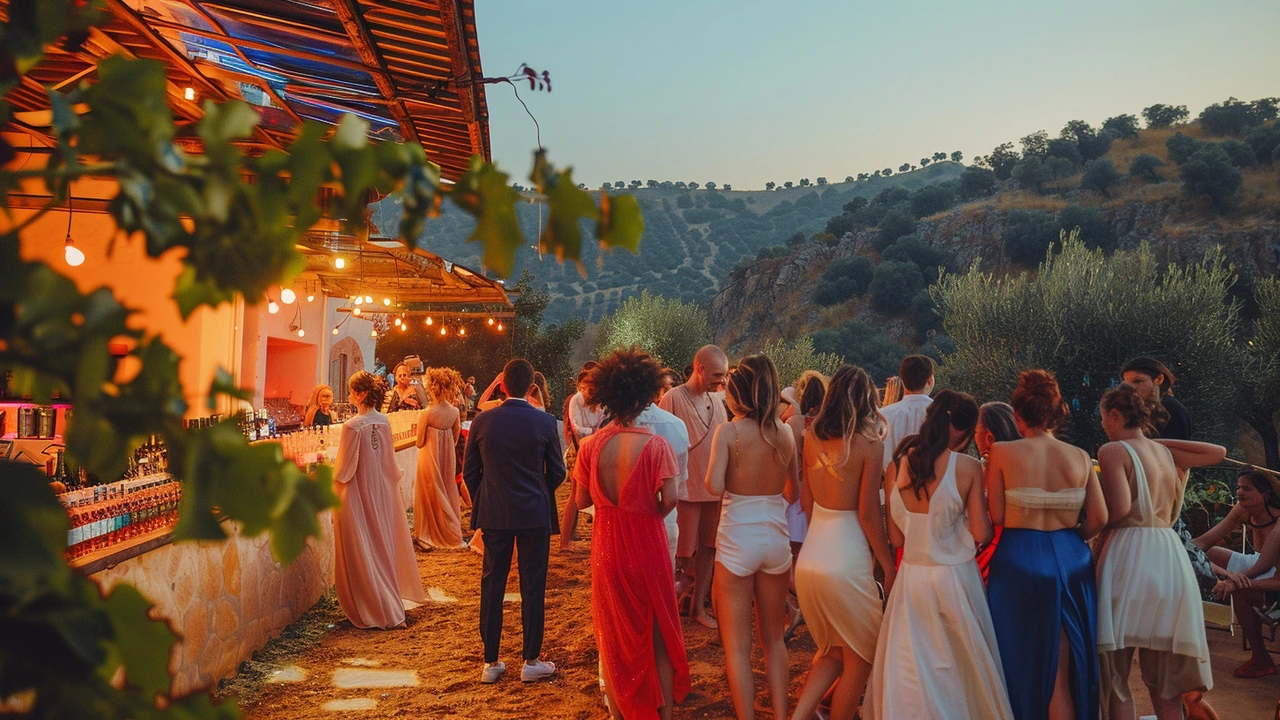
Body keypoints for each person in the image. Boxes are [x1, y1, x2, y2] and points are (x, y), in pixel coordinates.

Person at [867, 390, 1014, 720]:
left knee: (911, 665)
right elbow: (982, 533)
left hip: (912, 576)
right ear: (963, 429)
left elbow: (895, 535)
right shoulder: (969, 467)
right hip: (955, 579)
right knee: (960, 666)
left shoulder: (897, 465)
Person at [572, 347, 691, 720]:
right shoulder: (657, 446)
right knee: (659, 630)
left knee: (613, 633)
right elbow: (671, 499)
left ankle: (621, 710)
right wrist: (647, 513)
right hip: (648, 543)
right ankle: (665, 713)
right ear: (646, 396)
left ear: (608, 396)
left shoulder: (590, 447)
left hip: (607, 545)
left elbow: (580, 500)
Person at [1094, 382, 1225, 720]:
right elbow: (1217, 452)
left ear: (1115, 414)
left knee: (1116, 676)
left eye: (1104, 418)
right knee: (1165, 681)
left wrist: (1092, 532)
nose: (1103, 426)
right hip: (1168, 559)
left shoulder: (1112, 451)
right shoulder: (1163, 453)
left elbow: (1119, 510)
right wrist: (1149, 441)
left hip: (1128, 555)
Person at [985, 369, 1108, 720]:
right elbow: (1099, 516)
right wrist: (1071, 537)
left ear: (1017, 414)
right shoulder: (1080, 456)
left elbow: (996, 514)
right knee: (1064, 670)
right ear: (1054, 412)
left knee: (1018, 659)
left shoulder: (1002, 452)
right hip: (1072, 561)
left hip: (1020, 558)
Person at [792, 365, 896, 720]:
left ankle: (798, 716)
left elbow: (806, 502)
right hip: (846, 560)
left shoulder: (810, 436)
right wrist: (888, 562)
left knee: (833, 651)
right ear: (867, 398)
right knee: (861, 658)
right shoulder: (870, 445)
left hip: (811, 557)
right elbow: (868, 514)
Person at [704, 354, 798, 720]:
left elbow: (714, 486)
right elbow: (793, 493)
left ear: (737, 393)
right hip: (776, 538)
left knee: (738, 649)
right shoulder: (785, 432)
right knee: (774, 641)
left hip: (737, 540)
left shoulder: (728, 432)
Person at [462, 358, 565, 684]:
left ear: (502, 386)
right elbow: (559, 471)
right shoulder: (546, 422)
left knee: (492, 584)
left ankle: (490, 662)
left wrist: (487, 496)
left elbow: (469, 472)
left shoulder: (483, 420)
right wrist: (537, 491)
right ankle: (531, 659)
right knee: (533, 586)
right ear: (531, 386)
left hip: (495, 512)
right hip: (533, 512)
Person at [332, 371, 426, 629]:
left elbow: (343, 470)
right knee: (381, 544)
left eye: (351, 391)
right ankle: (386, 600)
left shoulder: (351, 426)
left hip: (357, 492)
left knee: (362, 548)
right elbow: (389, 464)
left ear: (361, 394)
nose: (349, 395)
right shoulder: (384, 421)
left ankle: (373, 604)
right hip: (381, 491)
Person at [659, 345, 730, 629]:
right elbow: (662, 446)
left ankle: (698, 606)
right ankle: (671, 609)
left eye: (724, 376)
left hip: (713, 491)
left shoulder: (718, 401)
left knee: (709, 548)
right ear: (698, 367)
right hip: (685, 491)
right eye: (717, 375)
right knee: (680, 554)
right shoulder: (673, 398)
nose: (722, 382)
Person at [1194, 470, 1280, 678]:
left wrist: (1236, 581)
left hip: (1275, 575)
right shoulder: (1242, 509)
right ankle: (1202, 604)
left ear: (1265, 494)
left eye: (1247, 488)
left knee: (1240, 589)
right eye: (1238, 487)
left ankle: (1261, 659)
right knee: (1209, 554)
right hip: (1258, 562)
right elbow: (1206, 541)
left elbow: (1270, 573)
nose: (1240, 492)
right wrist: (1181, 549)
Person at [782, 370, 826, 640]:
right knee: (805, 556)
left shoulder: (792, 422)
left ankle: (805, 607)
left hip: (793, 494)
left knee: (789, 556)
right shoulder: (826, 424)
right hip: (818, 496)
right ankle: (807, 606)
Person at [413, 367, 465, 551]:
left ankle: (427, 531)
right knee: (446, 488)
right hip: (446, 458)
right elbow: (455, 438)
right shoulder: (454, 412)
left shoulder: (427, 413)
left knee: (429, 490)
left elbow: (419, 442)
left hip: (429, 457)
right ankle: (449, 528)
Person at [974, 401, 1021, 581]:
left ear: (989, 437)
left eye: (976, 432)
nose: (974, 437)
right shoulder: (1026, 464)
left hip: (992, 554)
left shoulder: (983, 470)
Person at [561, 364, 603, 549]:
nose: (589, 392)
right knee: (574, 496)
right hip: (578, 450)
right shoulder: (575, 400)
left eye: (593, 389)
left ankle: (598, 542)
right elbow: (576, 428)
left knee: (599, 495)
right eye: (586, 388)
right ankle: (564, 542)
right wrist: (594, 432)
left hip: (598, 449)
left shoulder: (603, 400)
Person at [879, 355, 935, 469]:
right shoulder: (943, 414)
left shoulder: (883, 416)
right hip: (934, 484)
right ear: (930, 380)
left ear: (903, 381)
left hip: (890, 484)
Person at [1121, 357, 1191, 441]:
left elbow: (1174, 450)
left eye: (1138, 381)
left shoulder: (1173, 410)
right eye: (1127, 383)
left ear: (1159, 379)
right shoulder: (1138, 410)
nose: (1130, 388)